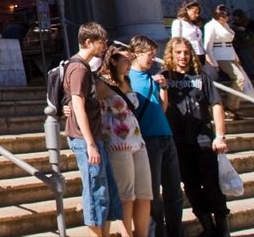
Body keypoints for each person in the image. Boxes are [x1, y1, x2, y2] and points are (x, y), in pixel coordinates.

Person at [161, 37, 231, 237]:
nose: (183, 56)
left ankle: (223, 229)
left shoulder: (201, 76)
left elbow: (216, 104)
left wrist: (220, 136)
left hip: (203, 139)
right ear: (171, 54)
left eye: (186, 52)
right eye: (178, 52)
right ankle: (208, 227)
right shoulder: (165, 76)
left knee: (212, 185)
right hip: (178, 141)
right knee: (191, 187)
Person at [64, 22, 121, 237]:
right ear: (88, 42)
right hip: (85, 139)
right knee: (96, 191)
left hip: (95, 137)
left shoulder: (85, 67)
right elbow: (77, 105)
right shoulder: (78, 68)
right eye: (101, 41)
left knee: (104, 191)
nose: (105, 46)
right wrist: (90, 144)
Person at [128, 35, 183, 237]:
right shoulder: (129, 80)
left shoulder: (154, 78)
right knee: (152, 194)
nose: (152, 59)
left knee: (174, 191)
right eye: (149, 55)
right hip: (147, 139)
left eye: (153, 55)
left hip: (166, 135)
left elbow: (163, 108)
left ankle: (176, 232)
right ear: (136, 53)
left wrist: (164, 88)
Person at [97, 43, 151, 237]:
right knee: (126, 196)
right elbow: (87, 107)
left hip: (137, 140)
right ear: (112, 60)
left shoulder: (127, 80)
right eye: (125, 60)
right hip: (116, 141)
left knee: (144, 194)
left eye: (131, 59)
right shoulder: (101, 83)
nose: (129, 63)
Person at [204, 4, 254, 120]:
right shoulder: (210, 25)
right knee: (239, 78)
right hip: (219, 55)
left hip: (230, 54)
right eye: (223, 16)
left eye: (227, 16)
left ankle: (233, 106)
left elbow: (229, 42)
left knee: (241, 80)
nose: (226, 18)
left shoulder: (225, 25)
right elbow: (208, 46)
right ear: (217, 15)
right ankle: (230, 105)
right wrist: (213, 62)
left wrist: (236, 56)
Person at [171, 0, 212, 69]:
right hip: (188, 53)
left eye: (198, 13)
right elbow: (175, 41)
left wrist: (206, 54)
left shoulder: (195, 25)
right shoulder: (178, 23)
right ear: (187, 9)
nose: (196, 15)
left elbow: (200, 41)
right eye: (194, 12)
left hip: (200, 53)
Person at [231, 9, 254, 76]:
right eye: (236, 20)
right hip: (239, 46)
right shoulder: (235, 25)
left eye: (239, 19)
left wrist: (246, 30)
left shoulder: (252, 23)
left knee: (245, 52)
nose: (237, 21)